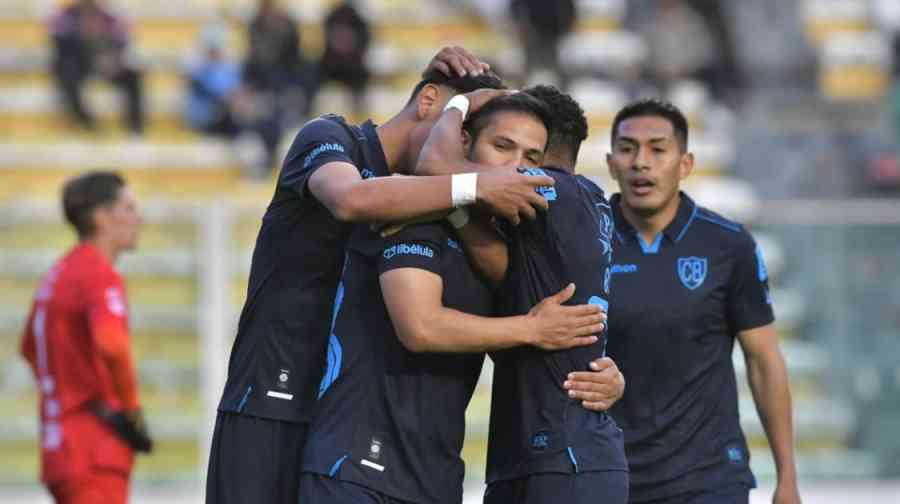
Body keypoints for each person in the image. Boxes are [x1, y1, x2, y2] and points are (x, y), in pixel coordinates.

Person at [206, 48, 601, 504]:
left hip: (348, 420)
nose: (459, 151)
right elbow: (352, 200)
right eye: (457, 127)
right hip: (274, 397)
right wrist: (470, 173)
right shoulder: (333, 138)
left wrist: (602, 372)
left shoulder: (455, 218)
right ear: (430, 101)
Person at [300, 92, 608, 504]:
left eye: (530, 157)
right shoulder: (412, 210)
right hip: (359, 463)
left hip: (437, 473)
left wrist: (606, 373)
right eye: (501, 146)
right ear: (464, 144)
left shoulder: (500, 238)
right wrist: (529, 328)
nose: (514, 165)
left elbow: (540, 320)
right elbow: (421, 327)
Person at [415, 85, 629, 503]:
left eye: (519, 148)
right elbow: (504, 271)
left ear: (539, 149)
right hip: (534, 456)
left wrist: (459, 104)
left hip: (566, 458)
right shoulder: (576, 209)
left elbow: (432, 165)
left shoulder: (551, 189)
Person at [603, 99, 801, 504]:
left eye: (658, 149)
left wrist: (787, 478)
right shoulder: (585, 243)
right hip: (609, 475)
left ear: (686, 163)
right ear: (610, 163)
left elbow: (764, 361)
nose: (641, 162)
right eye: (627, 149)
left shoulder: (728, 245)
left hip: (709, 477)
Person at [21, 171, 152, 504]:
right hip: (93, 449)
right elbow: (111, 343)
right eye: (129, 207)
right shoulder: (99, 275)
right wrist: (131, 407)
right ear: (101, 217)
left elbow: (29, 348)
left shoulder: (59, 273)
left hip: (60, 444)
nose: (139, 218)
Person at [49, 0, 144, 134]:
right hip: (77, 64)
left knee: (132, 76)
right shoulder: (66, 16)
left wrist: (112, 58)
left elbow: (122, 41)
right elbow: (59, 42)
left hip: (104, 62)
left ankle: (135, 127)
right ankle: (85, 123)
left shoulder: (108, 17)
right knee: (67, 76)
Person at [318, 0, 371, 116]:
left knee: (360, 76)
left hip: (353, 64)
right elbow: (326, 40)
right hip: (332, 63)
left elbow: (365, 42)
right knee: (315, 71)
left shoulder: (359, 20)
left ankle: (359, 110)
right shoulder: (332, 17)